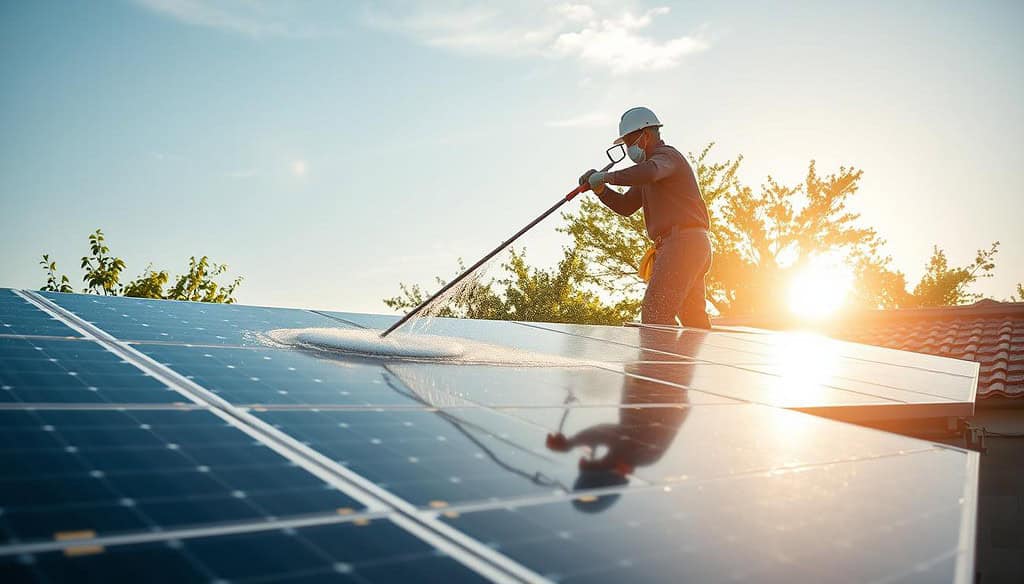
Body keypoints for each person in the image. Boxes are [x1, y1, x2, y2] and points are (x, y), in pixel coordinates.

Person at [580, 106, 713, 328]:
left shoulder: (666, 157)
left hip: (682, 244)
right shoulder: (647, 172)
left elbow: (650, 171)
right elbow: (626, 206)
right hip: (687, 246)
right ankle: (697, 362)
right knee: (694, 320)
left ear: (646, 135)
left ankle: (659, 364)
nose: (629, 148)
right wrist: (601, 190)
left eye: (630, 141)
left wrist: (606, 176)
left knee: (656, 315)